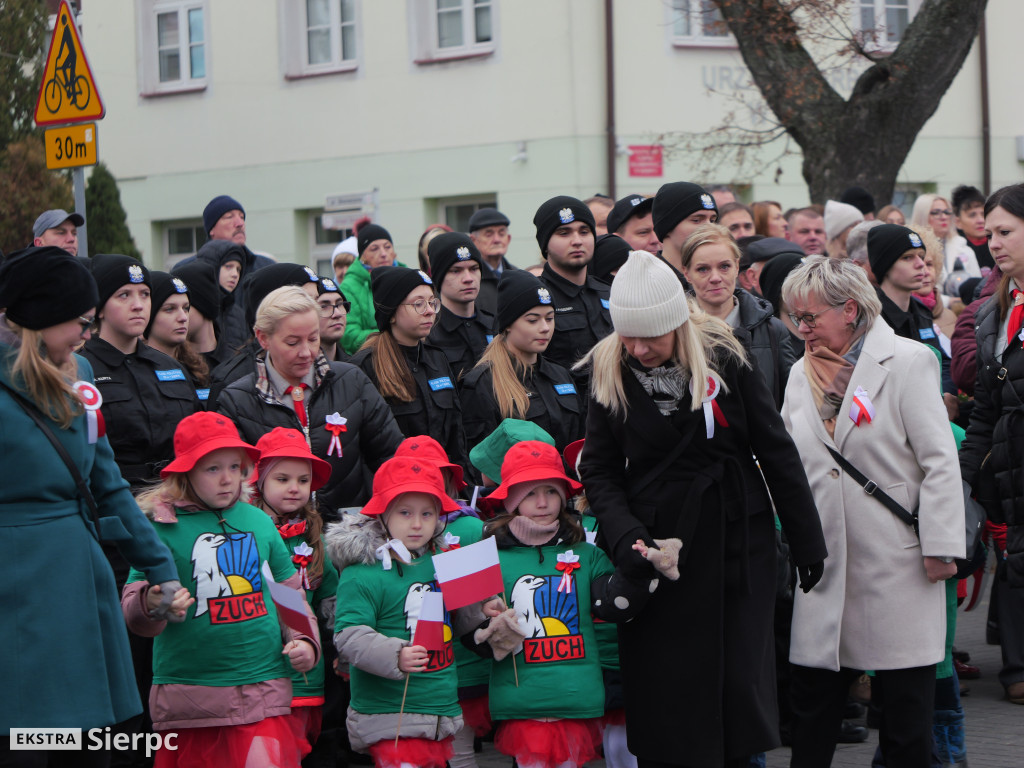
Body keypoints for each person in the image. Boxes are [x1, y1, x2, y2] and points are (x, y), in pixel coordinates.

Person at [578, 249, 827, 767]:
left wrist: (806, 540)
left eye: (652, 336)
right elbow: (599, 470)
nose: (640, 348)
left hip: (734, 538)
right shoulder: (608, 369)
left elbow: (774, 448)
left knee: (738, 684)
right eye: (629, 336)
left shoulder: (725, 356)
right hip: (654, 550)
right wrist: (626, 539)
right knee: (667, 694)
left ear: (677, 322)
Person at [0, 246, 184, 766]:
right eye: (77, 321)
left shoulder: (79, 371)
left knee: (92, 739)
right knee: (26, 739)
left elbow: (106, 483)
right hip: (15, 585)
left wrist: (160, 568)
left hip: (82, 575)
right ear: (39, 318)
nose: (86, 332)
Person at [779, 255, 965, 768]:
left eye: (811, 317)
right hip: (825, 566)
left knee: (906, 722)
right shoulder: (799, 374)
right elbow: (791, 464)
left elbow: (940, 463)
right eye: (795, 317)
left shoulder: (907, 361)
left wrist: (943, 547)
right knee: (812, 717)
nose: (802, 328)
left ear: (852, 310)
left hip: (898, 565)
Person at [124, 412, 319, 767]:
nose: (227, 479)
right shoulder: (159, 527)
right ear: (186, 471)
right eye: (212, 469)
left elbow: (289, 593)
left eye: (235, 467)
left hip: (265, 689)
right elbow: (132, 606)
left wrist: (306, 640)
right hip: (193, 699)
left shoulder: (259, 520)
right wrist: (151, 603)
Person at [471, 440, 649, 768]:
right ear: (511, 500)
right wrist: (486, 627)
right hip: (522, 697)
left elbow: (612, 607)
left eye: (551, 492)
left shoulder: (589, 554)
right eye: (529, 493)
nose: (542, 503)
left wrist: (642, 569)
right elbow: (467, 632)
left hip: (575, 694)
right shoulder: (483, 557)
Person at [217, 286, 403, 518]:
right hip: (277, 540)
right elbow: (234, 486)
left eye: (313, 339)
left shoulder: (352, 381)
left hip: (348, 537)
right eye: (293, 343)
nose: (306, 352)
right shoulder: (236, 401)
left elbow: (392, 457)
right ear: (263, 338)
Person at [327, 456, 464, 768]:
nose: (417, 524)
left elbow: (466, 621)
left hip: (439, 704)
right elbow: (348, 635)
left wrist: (488, 614)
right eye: (405, 513)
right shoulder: (362, 572)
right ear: (382, 514)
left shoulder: (446, 560)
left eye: (427, 513)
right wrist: (396, 654)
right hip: (389, 711)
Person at [958, 182, 1024, 705]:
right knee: (1016, 570)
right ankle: (1017, 670)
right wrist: (960, 475)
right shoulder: (990, 313)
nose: (993, 243)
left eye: (1005, 232)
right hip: (1006, 472)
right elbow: (984, 406)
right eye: (989, 233)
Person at [251, 427, 340, 764]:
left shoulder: (316, 535)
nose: (294, 488)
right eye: (283, 478)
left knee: (295, 749)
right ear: (259, 481)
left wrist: (337, 645)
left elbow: (330, 598)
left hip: (305, 672)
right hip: (260, 670)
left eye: (303, 480)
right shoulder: (246, 532)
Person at [81, 254, 201, 494]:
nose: (138, 305)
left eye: (145, 294)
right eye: (124, 295)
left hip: (178, 496)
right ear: (100, 308)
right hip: (115, 499)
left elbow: (197, 435)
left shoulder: (169, 367)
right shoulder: (81, 368)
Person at [350, 266, 470, 473]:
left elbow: (456, 436)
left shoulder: (437, 359)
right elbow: (361, 451)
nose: (430, 310)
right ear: (392, 313)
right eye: (418, 304)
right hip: (397, 490)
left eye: (432, 302)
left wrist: (465, 489)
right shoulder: (365, 366)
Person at [461, 269, 583, 455]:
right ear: (508, 324)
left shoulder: (560, 375)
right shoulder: (483, 384)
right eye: (533, 320)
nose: (545, 328)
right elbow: (481, 462)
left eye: (550, 318)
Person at [680, 226, 797, 409]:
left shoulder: (772, 329)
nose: (715, 277)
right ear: (686, 273)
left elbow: (791, 399)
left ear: (736, 267)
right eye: (703, 269)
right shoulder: (675, 331)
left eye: (724, 266)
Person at [868, 224, 959, 420]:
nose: (920, 265)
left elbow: (942, 363)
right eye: (907, 258)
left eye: (921, 255)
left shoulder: (921, 311)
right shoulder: (871, 319)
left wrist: (944, 395)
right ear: (885, 265)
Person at [205, 262, 322, 408]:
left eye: (317, 301)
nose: (317, 311)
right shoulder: (232, 382)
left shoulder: (333, 372)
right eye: (304, 301)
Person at [534, 196, 614, 404]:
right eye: (564, 233)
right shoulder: (534, 297)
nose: (577, 240)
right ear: (545, 243)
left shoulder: (610, 293)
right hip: (565, 417)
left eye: (584, 231)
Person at [427, 232, 495, 383]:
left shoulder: (495, 326)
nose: (468, 279)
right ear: (439, 277)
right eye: (456, 270)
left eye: (473, 268)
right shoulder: (428, 332)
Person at [145, 271, 212, 403]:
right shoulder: (140, 371)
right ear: (149, 315)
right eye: (169, 309)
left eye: (186, 308)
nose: (183, 317)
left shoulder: (197, 368)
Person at [341, 224, 401, 354]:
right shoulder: (349, 287)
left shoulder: (408, 278)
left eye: (387, 247)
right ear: (362, 256)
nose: (384, 254)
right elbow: (349, 335)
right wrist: (394, 334)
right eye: (374, 249)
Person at [652, 181, 719, 278]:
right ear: (668, 227)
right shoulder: (648, 284)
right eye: (696, 220)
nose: (710, 228)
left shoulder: (719, 280)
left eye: (712, 220)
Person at [911, 194, 980, 283]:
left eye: (947, 212)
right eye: (936, 212)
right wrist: (945, 298)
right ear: (922, 216)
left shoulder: (964, 248)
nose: (943, 217)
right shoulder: (912, 250)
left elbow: (977, 287)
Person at [170, 259, 224, 369]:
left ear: (204, 307)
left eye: (185, 307)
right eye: (170, 308)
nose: (180, 316)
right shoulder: (169, 364)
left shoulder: (236, 362)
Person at [469, 208, 517, 318]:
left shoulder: (517, 276)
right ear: (473, 241)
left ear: (508, 239)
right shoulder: (468, 280)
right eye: (489, 234)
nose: (496, 240)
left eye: (501, 233)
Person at [952, 184, 994, 271]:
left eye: (983, 214)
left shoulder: (998, 243)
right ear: (958, 222)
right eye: (972, 215)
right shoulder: (953, 249)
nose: (980, 220)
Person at [315, 276, 351, 363]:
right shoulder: (302, 373)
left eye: (339, 304)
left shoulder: (355, 369)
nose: (337, 314)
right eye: (324, 306)